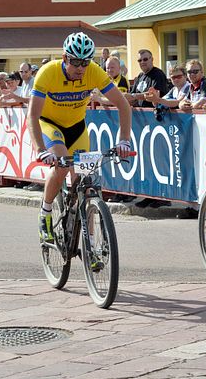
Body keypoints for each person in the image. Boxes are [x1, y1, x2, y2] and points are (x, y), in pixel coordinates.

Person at [27, 32, 133, 243]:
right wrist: (41, 150)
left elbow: (123, 105)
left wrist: (124, 140)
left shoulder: (93, 72)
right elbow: (32, 116)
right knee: (63, 166)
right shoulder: (47, 73)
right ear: (65, 58)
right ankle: (46, 212)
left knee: (88, 186)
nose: (80, 68)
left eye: (85, 62)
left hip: (77, 128)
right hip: (50, 125)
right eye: (75, 62)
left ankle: (90, 244)